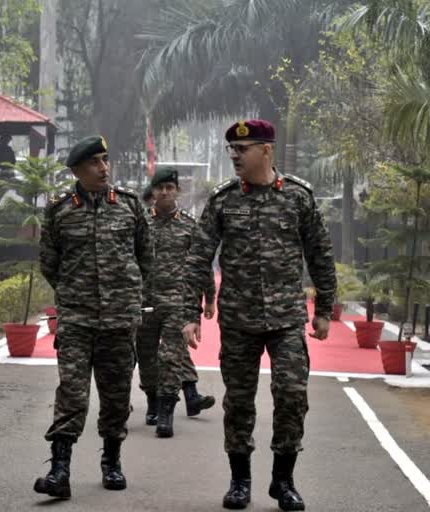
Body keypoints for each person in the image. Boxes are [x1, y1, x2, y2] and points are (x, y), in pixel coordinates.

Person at [181, 120, 336, 511]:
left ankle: (282, 480)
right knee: (239, 403)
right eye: (231, 149)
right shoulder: (223, 200)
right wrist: (190, 313)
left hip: (286, 319)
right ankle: (240, 481)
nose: (234, 155)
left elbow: (320, 252)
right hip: (238, 320)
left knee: (291, 394)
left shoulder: (298, 197)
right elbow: (198, 257)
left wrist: (324, 309)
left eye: (242, 149)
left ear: (266, 150)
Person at [35, 135, 154, 499]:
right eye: (95, 163)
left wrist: (124, 294)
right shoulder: (59, 210)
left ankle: (112, 460)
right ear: (76, 170)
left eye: (105, 160)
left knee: (116, 396)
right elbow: (50, 264)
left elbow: (144, 258)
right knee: (71, 393)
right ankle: (59, 470)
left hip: (119, 320)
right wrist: (75, 295)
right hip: (77, 320)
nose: (104, 168)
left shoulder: (130, 206)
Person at [135, 167, 215, 438]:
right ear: (153, 192)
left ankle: (166, 413)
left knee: (169, 357)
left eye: (170, 188)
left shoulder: (190, 225)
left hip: (177, 303)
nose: (165, 192)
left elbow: (200, 265)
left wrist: (209, 299)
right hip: (145, 302)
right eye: (160, 188)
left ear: (177, 191)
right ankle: (152, 401)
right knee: (145, 357)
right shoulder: (141, 223)